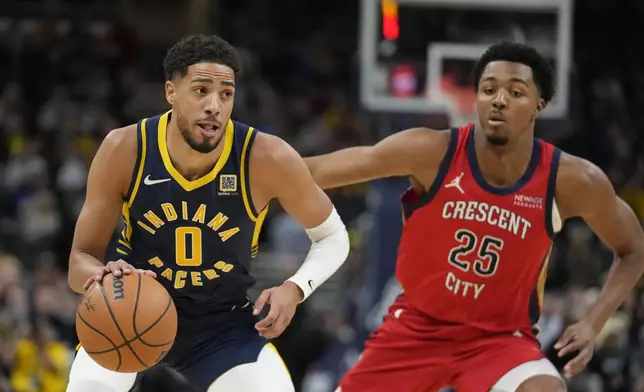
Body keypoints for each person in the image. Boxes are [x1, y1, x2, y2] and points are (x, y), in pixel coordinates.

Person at [304, 42, 644, 392]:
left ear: (539, 107)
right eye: (489, 89)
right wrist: (258, 170)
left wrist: (592, 324)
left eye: (515, 92)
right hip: (417, 330)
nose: (499, 99)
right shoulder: (432, 150)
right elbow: (323, 169)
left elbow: (633, 248)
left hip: (500, 341)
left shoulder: (571, 179)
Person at [65, 34, 350, 392]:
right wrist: (102, 275)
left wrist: (294, 289)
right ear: (171, 92)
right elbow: (79, 261)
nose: (214, 105)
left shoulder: (266, 157)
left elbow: (333, 236)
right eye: (201, 90)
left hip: (222, 326)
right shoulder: (125, 149)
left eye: (226, 94)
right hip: (128, 312)